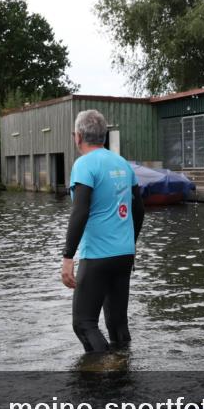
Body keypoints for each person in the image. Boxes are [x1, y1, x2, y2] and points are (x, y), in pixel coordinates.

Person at [61, 109, 145, 353]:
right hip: (124, 254)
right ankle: (123, 379)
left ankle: (105, 371)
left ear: (77, 137)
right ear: (104, 135)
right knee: (117, 324)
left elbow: (80, 211)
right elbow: (138, 209)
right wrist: (131, 243)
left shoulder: (83, 165)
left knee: (84, 324)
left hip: (97, 255)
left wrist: (68, 257)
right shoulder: (123, 164)